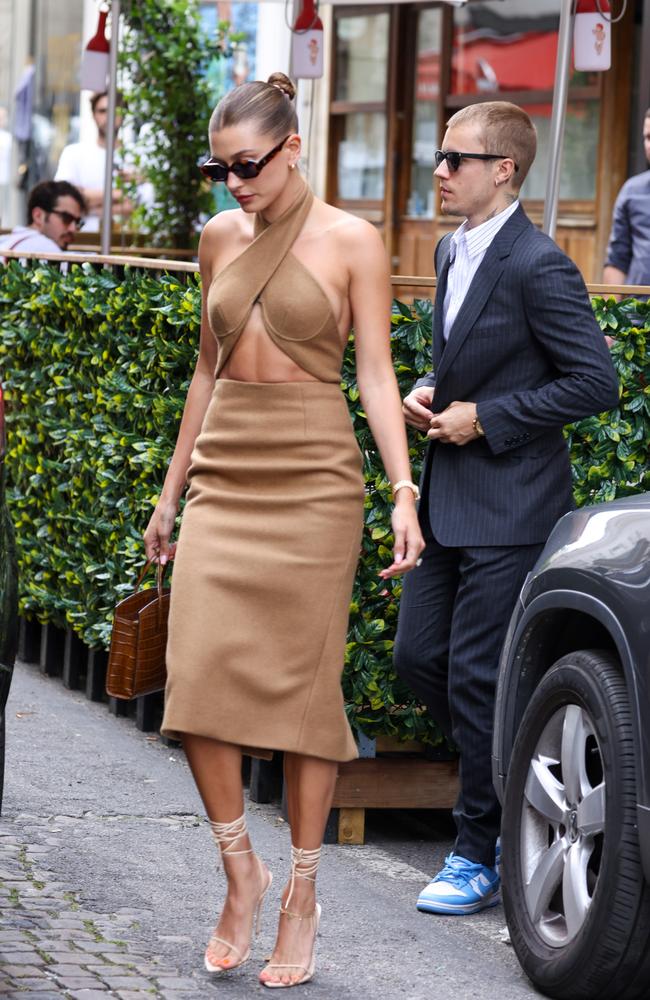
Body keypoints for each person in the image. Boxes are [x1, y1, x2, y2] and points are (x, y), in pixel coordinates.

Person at [143, 72, 424, 988]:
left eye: (250, 166)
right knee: (194, 681)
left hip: (315, 481)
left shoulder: (354, 241)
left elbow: (377, 376)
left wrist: (400, 490)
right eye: (221, 169)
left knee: (308, 699)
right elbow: (203, 371)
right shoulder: (219, 237)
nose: (236, 185)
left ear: (294, 148)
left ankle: (301, 896)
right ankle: (241, 872)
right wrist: (171, 488)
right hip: (228, 471)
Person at [393, 100, 619, 917]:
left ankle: (477, 849)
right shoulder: (452, 249)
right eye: (440, 156)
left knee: (481, 679)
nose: (441, 171)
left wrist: (486, 419)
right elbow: (458, 360)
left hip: (513, 506)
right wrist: (431, 389)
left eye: (456, 158)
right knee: (420, 661)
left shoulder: (539, 263)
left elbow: (597, 382)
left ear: (505, 171)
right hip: (450, 500)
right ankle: (514, 782)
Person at [54, 91, 131, 233]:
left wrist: (90, 205)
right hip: (81, 240)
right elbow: (65, 199)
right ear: (93, 115)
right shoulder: (74, 153)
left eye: (115, 110)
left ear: (124, 114)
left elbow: (135, 205)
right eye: (102, 111)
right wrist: (117, 195)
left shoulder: (135, 156)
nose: (109, 116)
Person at [603, 107, 650, 289]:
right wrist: (609, 313)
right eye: (648, 137)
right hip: (638, 312)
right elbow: (617, 260)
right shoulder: (632, 191)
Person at [0, 179, 86, 255]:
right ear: (38, 216)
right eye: (66, 218)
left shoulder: (7, 241)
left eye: (77, 222)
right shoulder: (44, 247)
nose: (73, 229)